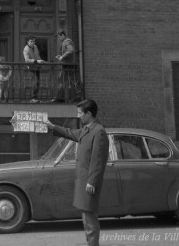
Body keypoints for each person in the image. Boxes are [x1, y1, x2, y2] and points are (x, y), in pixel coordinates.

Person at [45, 99, 109, 246]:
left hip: (88, 182)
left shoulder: (98, 132)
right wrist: (51, 126)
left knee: (89, 217)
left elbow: (98, 160)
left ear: (89, 114)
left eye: (80, 113)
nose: (78, 116)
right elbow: (69, 133)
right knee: (86, 217)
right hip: (83, 181)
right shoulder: (86, 129)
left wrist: (92, 181)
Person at [54, 29, 76, 102]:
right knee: (67, 81)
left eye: (59, 37)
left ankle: (61, 98)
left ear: (63, 35)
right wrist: (61, 56)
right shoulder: (65, 41)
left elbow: (71, 50)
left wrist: (62, 57)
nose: (58, 39)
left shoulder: (67, 41)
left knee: (64, 81)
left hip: (68, 65)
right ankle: (64, 98)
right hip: (68, 65)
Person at [23, 36, 45, 103]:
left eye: (34, 41)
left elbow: (37, 55)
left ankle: (35, 98)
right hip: (32, 67)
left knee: (37, 82)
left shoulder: (35, 47)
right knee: (35, 82)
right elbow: (26, 60)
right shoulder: (26, 49)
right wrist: (36, 61)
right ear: (28, 42)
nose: (33, 43)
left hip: (37, 66)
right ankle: (33, 98)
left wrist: (41, 60)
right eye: (31, 41)